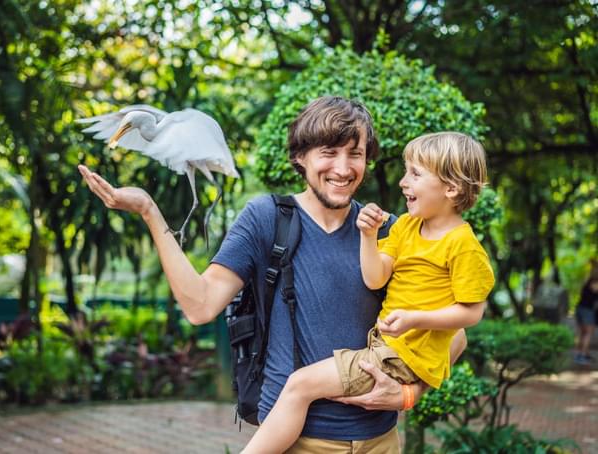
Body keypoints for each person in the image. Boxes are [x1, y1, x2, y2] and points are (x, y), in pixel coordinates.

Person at [79, 96, 468, 453]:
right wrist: (150, 211)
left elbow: (455, 335)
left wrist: (407, 394)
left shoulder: (388, 230)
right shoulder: (267, 219)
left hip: (380, 442)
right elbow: (200, 306)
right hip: (297, 442)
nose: (343, 168)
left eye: (356, 154)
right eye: (328, 153)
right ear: (300, 157)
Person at [241, 132, 495, 454]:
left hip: (399, 358)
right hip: (385, 349)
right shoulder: (405, 227)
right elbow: (375, 278)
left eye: (415, 174)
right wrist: (368, 235)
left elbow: (472, 314)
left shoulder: (463, 246)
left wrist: (415, 319)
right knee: (301, 386)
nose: (404, 182)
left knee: (299, 385)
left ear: (451, 187)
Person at [575, 261, 598, 365]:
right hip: (586, 310)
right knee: (588, 333)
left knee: (583, 333)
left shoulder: (587, 280)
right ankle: (582, 355)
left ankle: (582, 353)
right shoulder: (594, 282)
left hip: (581, 308)